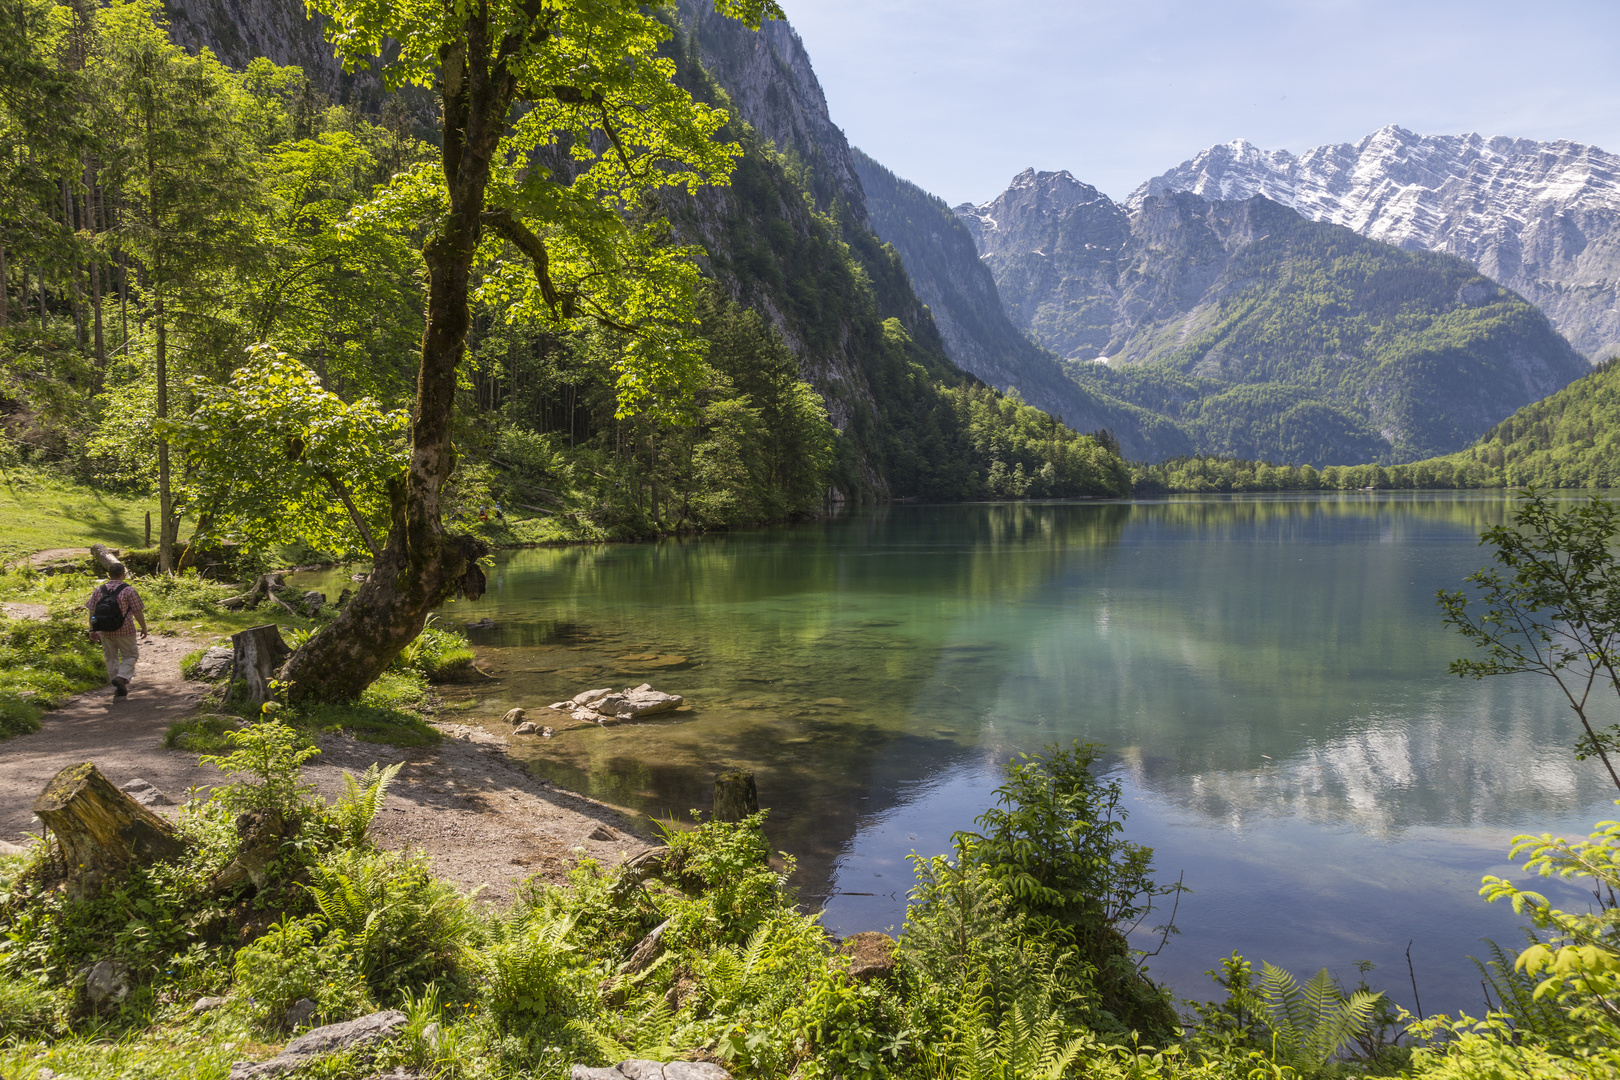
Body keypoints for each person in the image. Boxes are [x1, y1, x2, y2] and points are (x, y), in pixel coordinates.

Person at [86, 563, 149, 698]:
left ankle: (117, 686)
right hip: (125, 630)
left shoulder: (99, 590)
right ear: (123, 574)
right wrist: (143, 627)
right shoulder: (128, 590)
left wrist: (92, 629)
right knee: (131, 655)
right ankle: (121, 677)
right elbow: (137, 611)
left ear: (109, 574)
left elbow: (92, 611)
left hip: (104, 630)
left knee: (111, 658)